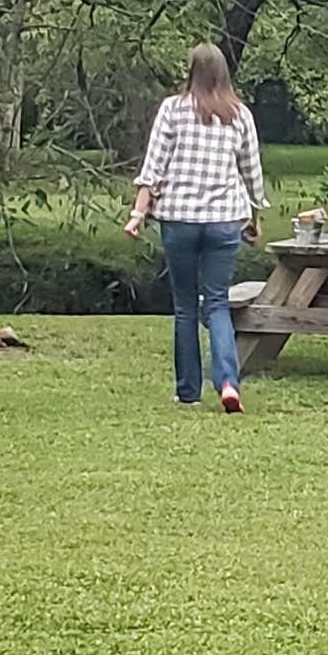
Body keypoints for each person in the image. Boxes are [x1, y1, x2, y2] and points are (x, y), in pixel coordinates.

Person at [125, 43, 270, 410]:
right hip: (224, 221)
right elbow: (252, 173)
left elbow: (153, 167)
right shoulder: (240, 114)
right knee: (218, 302)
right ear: (223, 72)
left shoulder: (172, 110)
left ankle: (188, 390)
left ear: (191, 71)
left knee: (186, 306)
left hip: (179, 220)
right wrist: (254, 218)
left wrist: (138, 214)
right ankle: (228, 383)